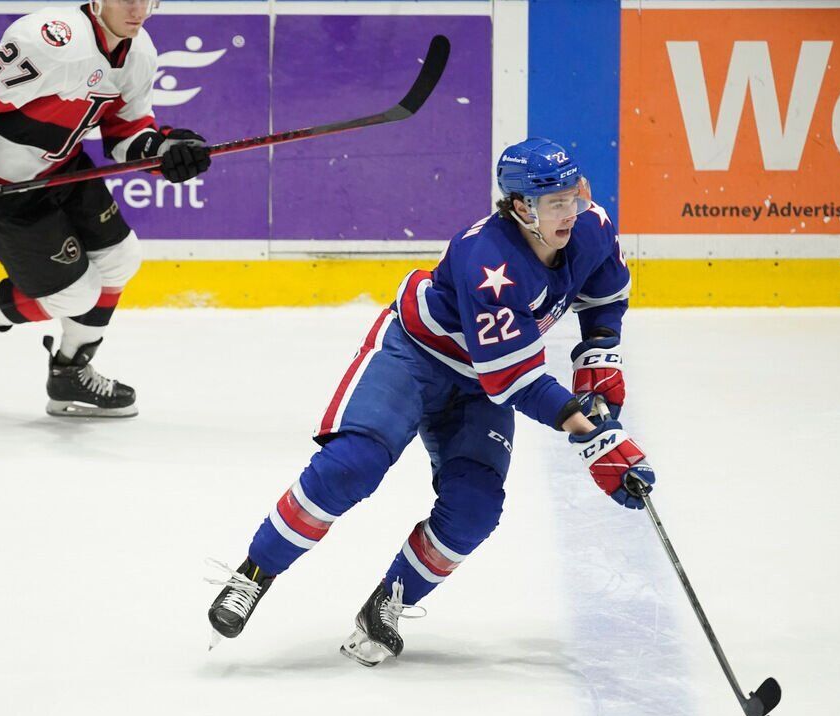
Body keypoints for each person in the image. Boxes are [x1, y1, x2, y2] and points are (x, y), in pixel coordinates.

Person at [206, 137, 656, 665]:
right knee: (352, 466)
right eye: (553, 202)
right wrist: (594, 436)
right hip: (416, 358)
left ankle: (387, 603)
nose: (569, 212)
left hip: (480, 383)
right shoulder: (487, 260)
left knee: (475, 509)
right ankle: (254, 574)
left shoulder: (591, 227)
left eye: (572, 197)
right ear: (520, 207)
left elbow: (605, 291)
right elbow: (514, 379)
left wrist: (599, 351)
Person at [0, 0, 211, 417]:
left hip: (61, 170)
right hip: (3, 187)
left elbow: (125, 133)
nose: (138, 8)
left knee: (121, 258)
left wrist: (165, 150)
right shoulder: (53, 39)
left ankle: (70, 372)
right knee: (76, 294)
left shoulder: (140, 52)